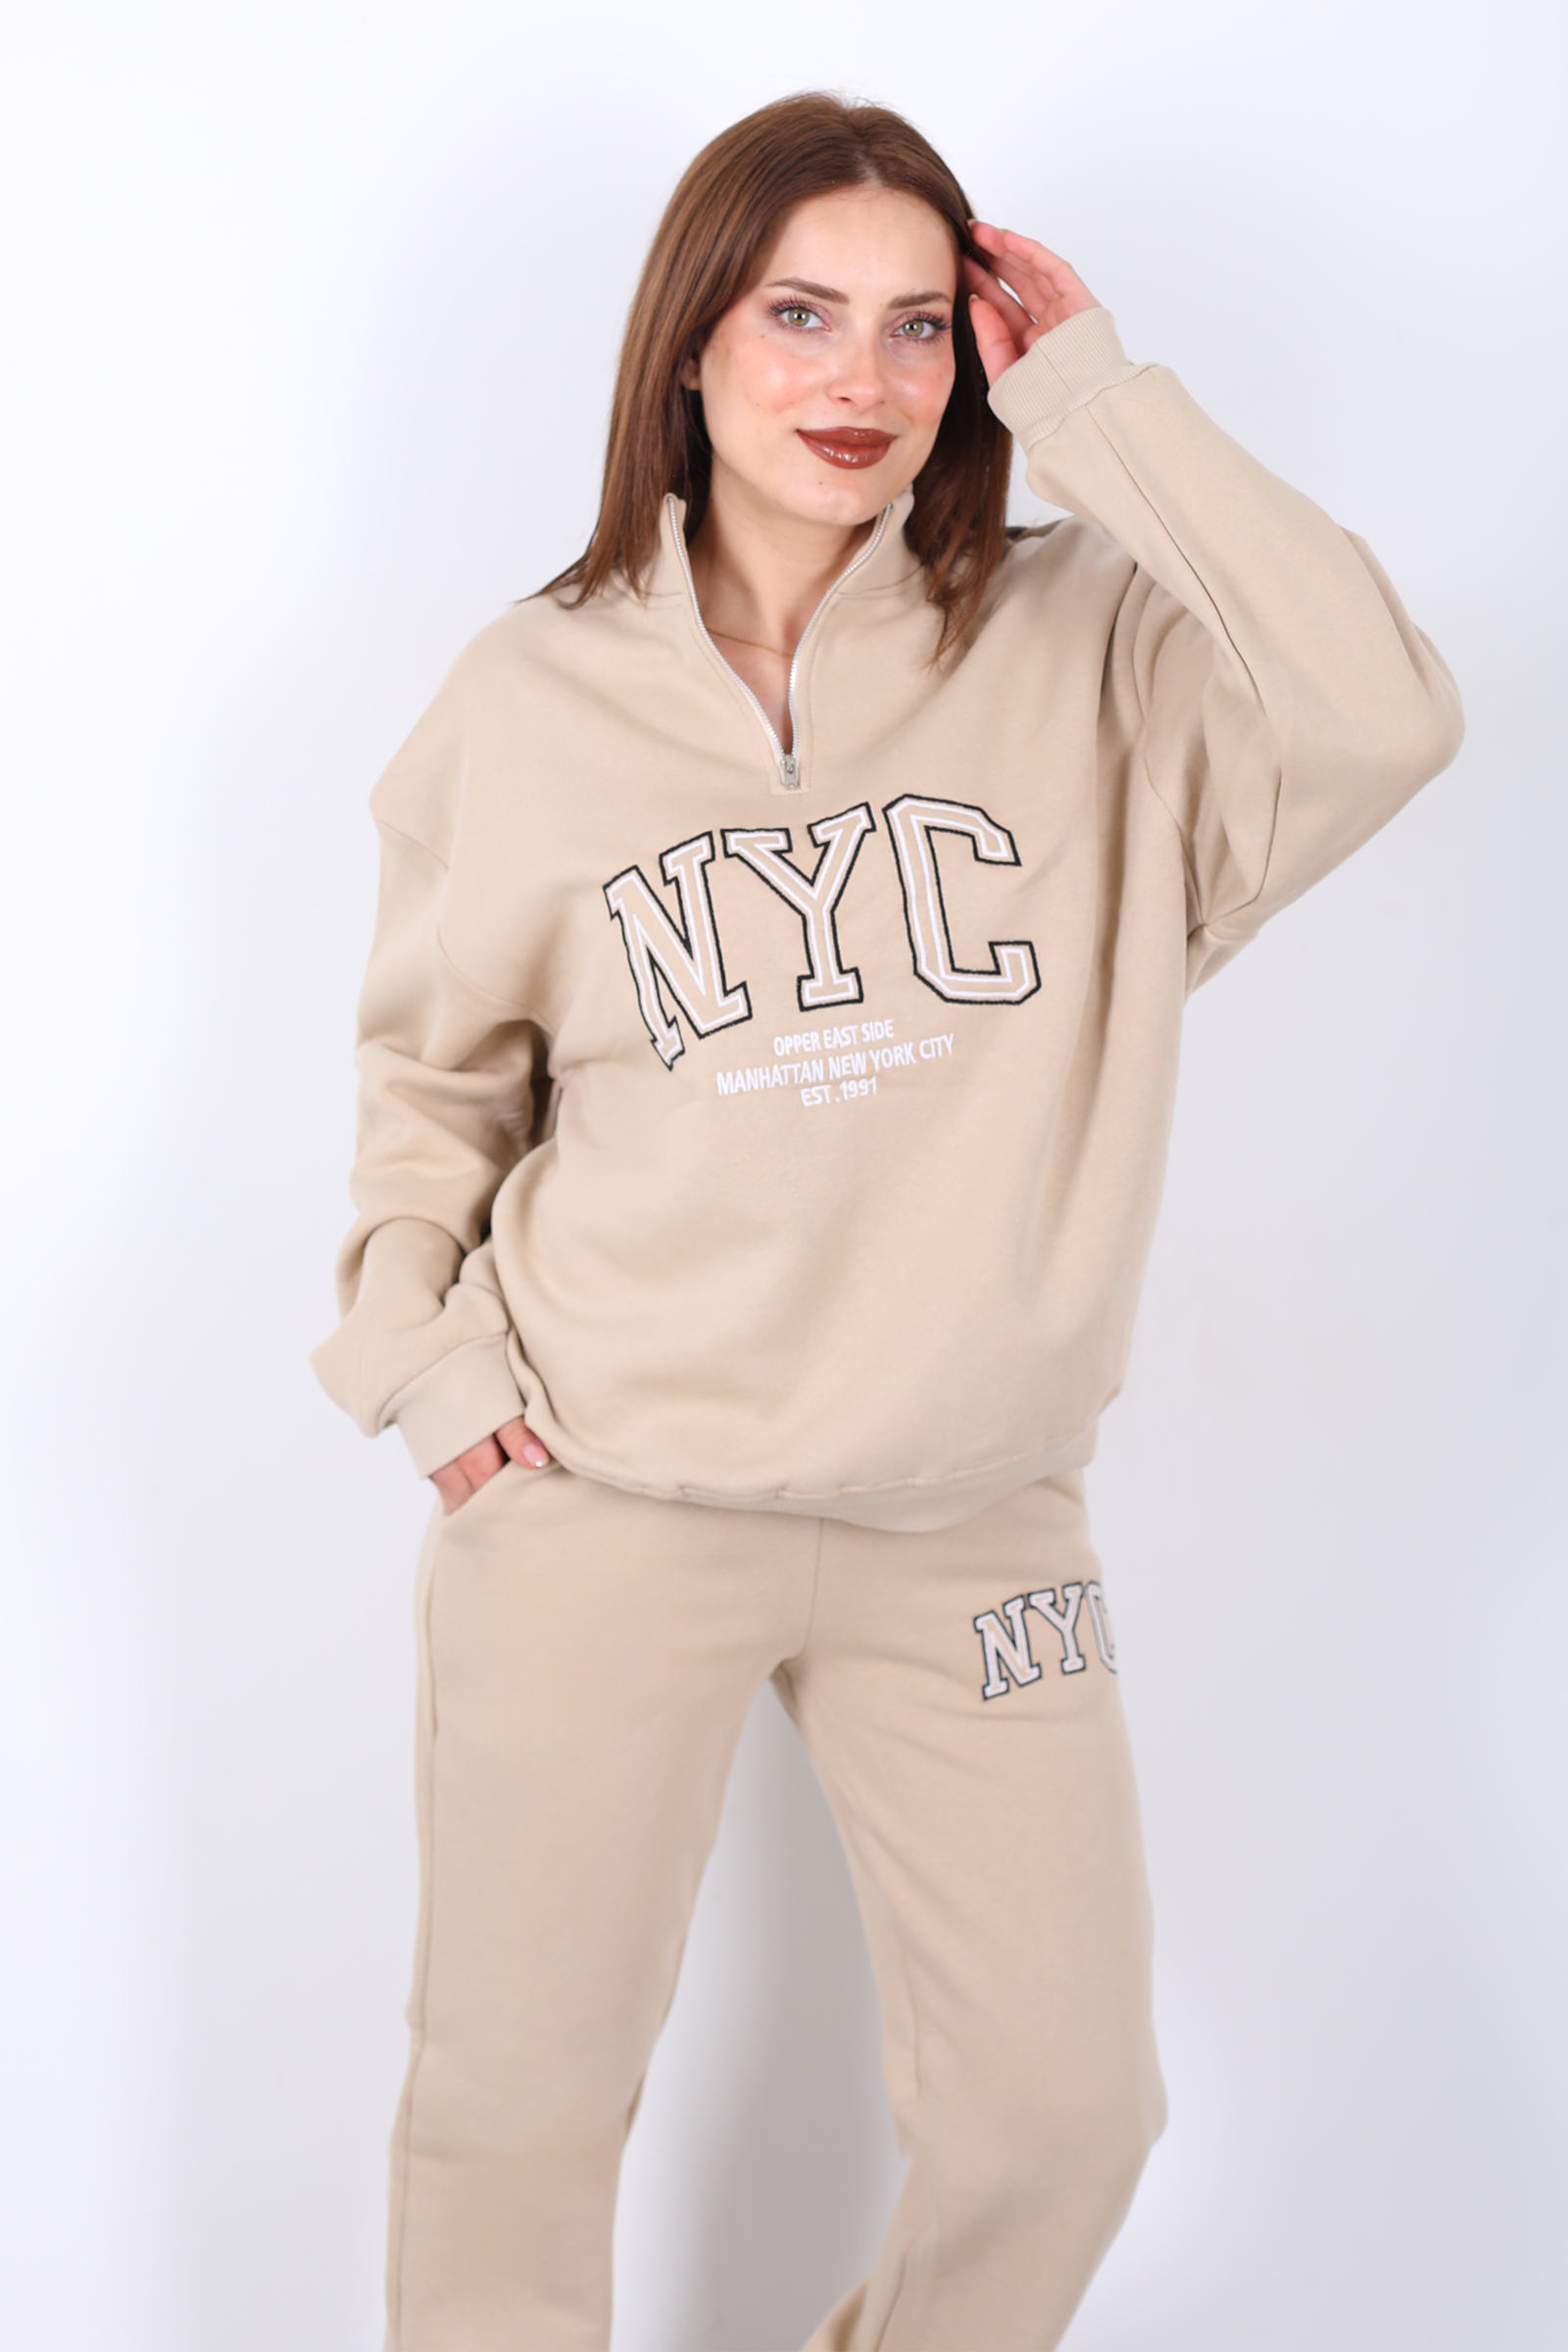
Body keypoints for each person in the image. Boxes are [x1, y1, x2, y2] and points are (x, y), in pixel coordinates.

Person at [309, 86, 1465, 2352]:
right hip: (601, 1495)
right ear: (688, 342)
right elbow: (427, 1078)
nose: (859, 379)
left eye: (917, 325)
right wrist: (426, 1372)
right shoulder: (529, 694)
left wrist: (1097, 397)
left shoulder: (1091, 657)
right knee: (513, 2116)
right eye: (798, 314)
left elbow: (1380, 712)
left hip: (975, 1526)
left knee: (1062, 2120)